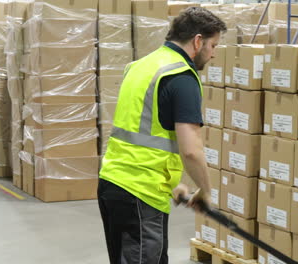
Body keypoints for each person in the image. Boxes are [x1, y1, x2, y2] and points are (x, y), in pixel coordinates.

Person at [97, 7, 227, 264]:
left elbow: (144, 130)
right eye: (213, 45)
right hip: (141, 193)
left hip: (112, 182)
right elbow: (191, 149)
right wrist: (206, 192)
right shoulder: (181, 76)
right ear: (198, 41)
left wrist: (172, 183)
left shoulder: (140, 66)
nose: (213, 54)